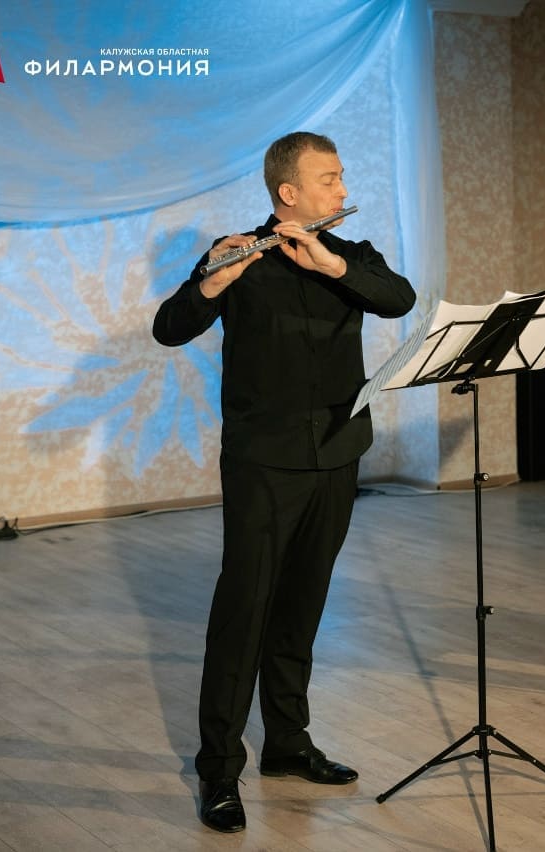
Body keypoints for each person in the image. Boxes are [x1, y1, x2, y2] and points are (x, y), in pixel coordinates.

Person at [152, 131, 416, 833]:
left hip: (336, 452)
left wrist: (332, 264)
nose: (342, 189)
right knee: (244, 611)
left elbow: (399, 299)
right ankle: (218, 769)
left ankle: (288, 744)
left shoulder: (352, 255)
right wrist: (212, 282)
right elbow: (168, 328)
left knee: (304, 604)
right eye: (329, 179)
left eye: (341, 177)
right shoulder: (238, 254)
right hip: (263, 460)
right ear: (288, 193)